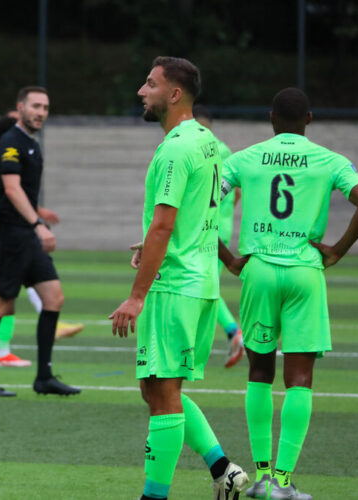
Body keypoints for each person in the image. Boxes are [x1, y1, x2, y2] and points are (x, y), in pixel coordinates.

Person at [219, 87, 358, 500]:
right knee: (300, 378)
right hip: (305, 270)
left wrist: (227, 257)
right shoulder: (329, 160)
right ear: (309, 119)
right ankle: (284, 484)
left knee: (259, 372)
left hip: (258, 271)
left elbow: (198, 199)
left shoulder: (245, 157)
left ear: (271, 118)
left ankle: (261, 478)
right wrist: (338, 250)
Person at [109, 57, 249, 500]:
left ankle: (154, 496)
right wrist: (149, 247)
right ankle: (223, 469)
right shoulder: (206, 140)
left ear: (174, 94)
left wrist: (136, 296)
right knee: (154, 389)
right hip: (198, 280)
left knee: (163, 394)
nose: (140, 91)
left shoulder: (173, 149)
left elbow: (165, 224)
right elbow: (185, 217)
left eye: (150, 84)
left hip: (175, 287)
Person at [0, 86, 80, 397]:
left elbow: (25, 194)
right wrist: (39, 224)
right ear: (20, 108)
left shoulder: (31, 144)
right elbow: (12, 188)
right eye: (35, 106)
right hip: (10, 236)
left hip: (26, 235)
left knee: (53, 297)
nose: (40, 112)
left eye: (45, 107)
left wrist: (36, 222)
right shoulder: (11, 143)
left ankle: (44, 377)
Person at [193, 104, 244, 367]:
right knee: (204, 283)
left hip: (204, 227)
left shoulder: (195, 147)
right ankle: (231, 333)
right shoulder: (224, 149)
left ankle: (234, 332)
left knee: (203, 285)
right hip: (222, 226)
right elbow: (236, 192)